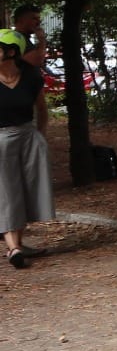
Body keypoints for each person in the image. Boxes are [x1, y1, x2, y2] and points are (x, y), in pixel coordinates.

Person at [0, 28, 55, 268]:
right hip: (1, 139)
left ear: (11, 52)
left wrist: (40, 137)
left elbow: (42, 109)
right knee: (5, 191)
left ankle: (19, 245)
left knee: (27, 189)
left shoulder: (31, 77)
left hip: (28, 136)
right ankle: (13, 248)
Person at [11, 4, 46, 69]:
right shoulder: (17, 39)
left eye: (39, 18)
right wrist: (42, 39)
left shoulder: (23, 38)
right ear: (21, 20)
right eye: (34, 18)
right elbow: (37, 61)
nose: (39, 22)